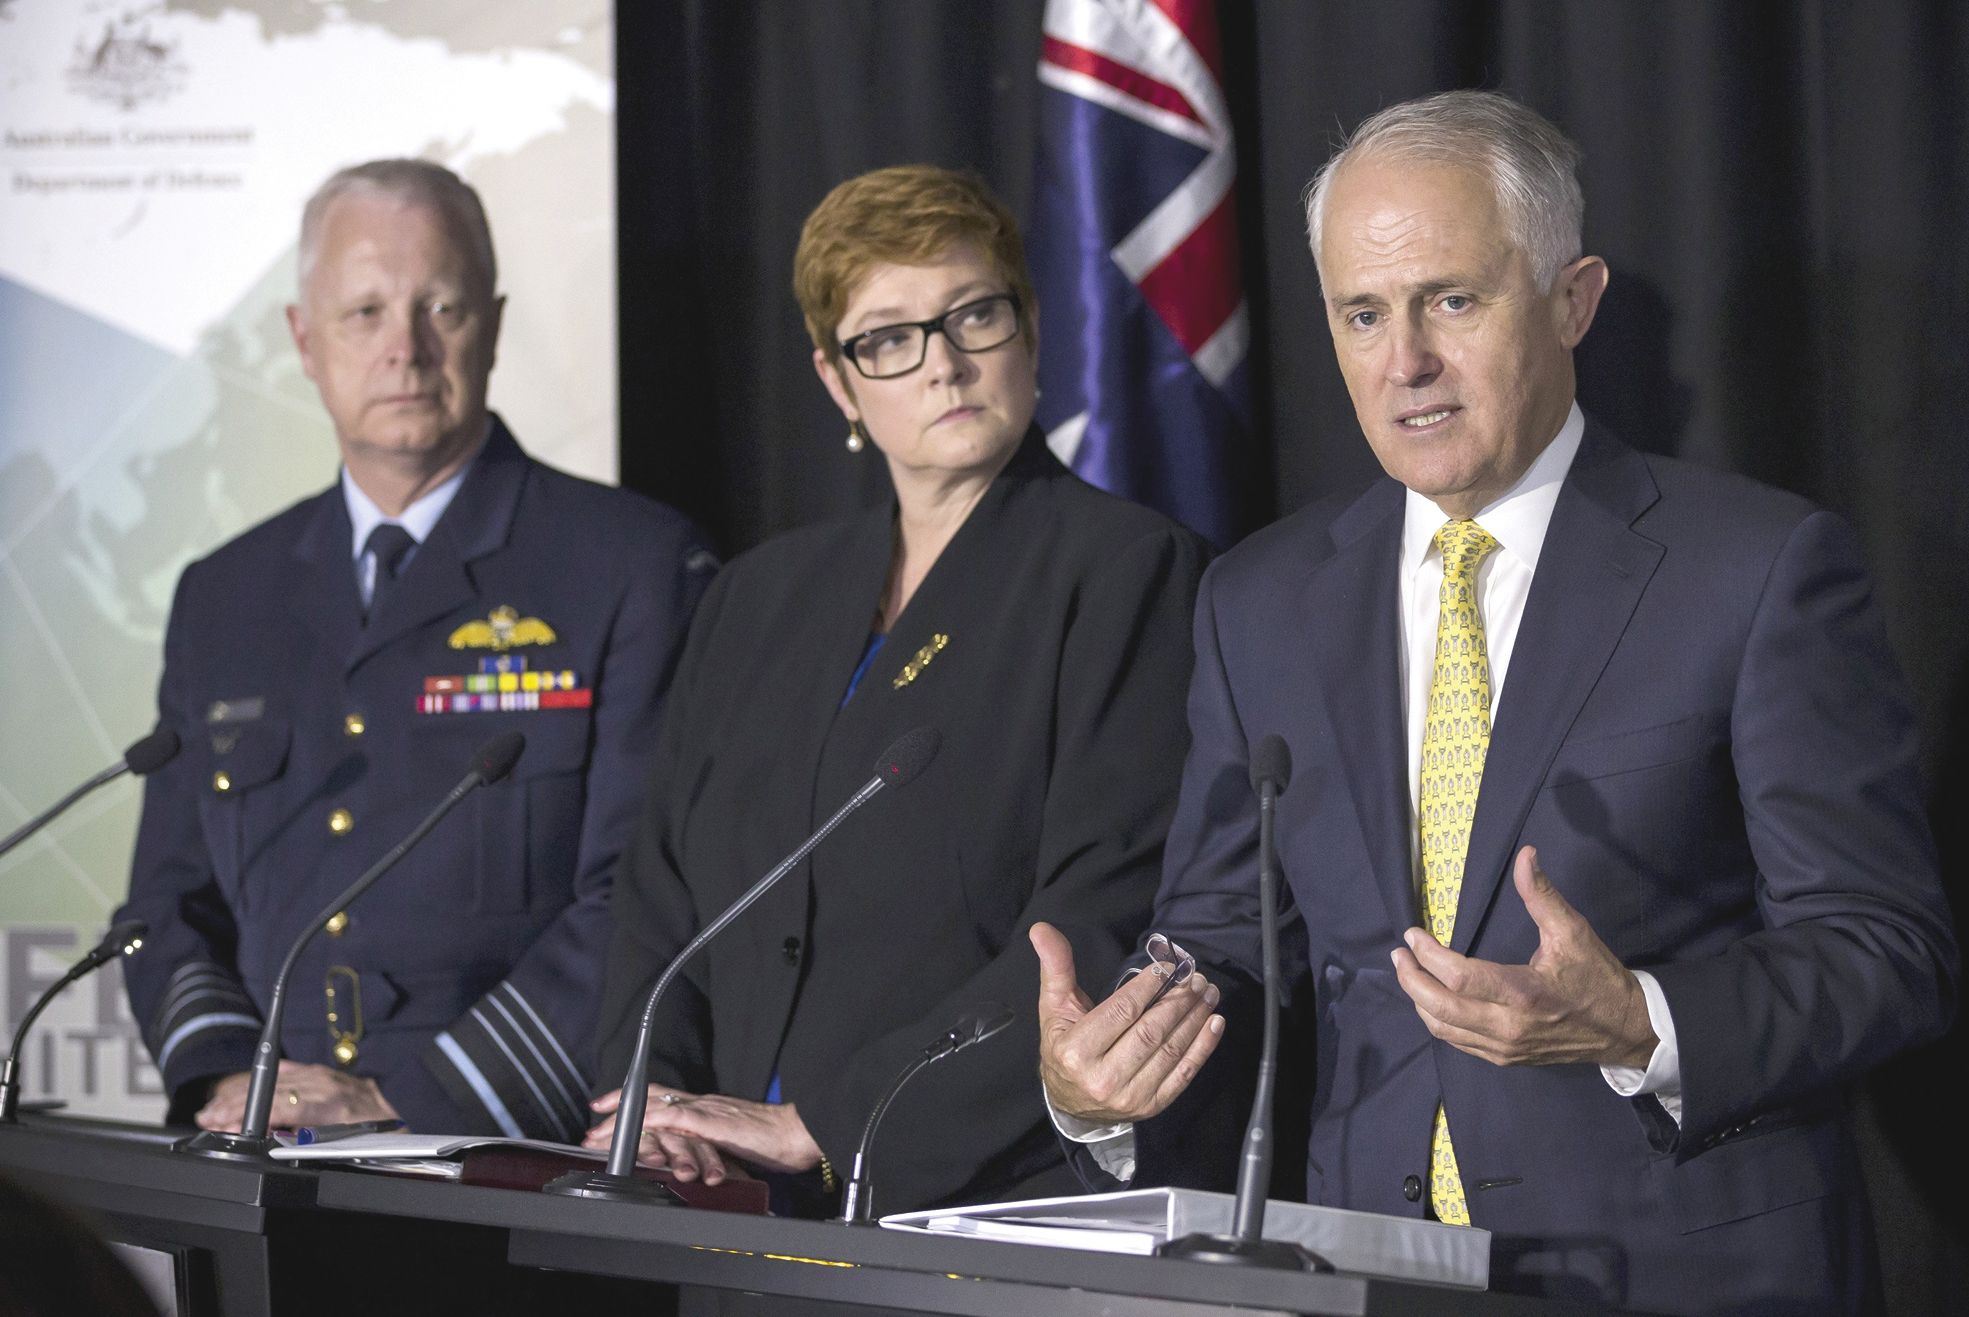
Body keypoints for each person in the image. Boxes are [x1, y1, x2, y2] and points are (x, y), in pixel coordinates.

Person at [1032, 90, 1957, 1309]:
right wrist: (1109, 1076)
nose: (1403, 361)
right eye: (1362, 315)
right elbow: (1226, 948)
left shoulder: (1757, 571)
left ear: (1572, 299)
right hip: (1360, 1268)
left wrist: (1641, 1021)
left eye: (1450, 301)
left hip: (1679, 1272)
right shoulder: (1256, 601)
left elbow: (1886, 952)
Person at [588, 166, 1206, 1215]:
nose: (945, 365)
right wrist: (650, 1104)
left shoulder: (1131, 573)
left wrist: (827, 1123)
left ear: (1033, 329)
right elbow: (659, 900)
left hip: (968, 1201)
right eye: (890, 338)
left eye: (976, 315)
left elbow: (1095, 923)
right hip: (710, 1202)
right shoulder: (753, 598)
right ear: (838, 381)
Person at [116, 159, 715, 1140]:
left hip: (512, 1150)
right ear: (304, 342)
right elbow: (165, 902)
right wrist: (225, 1079)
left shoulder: (632, 566)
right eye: (363, 313)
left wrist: (411, 1101)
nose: (403, 347)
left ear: (493, 324)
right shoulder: (223, 596)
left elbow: (647, 891)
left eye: (440, 306)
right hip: (260, 1150)